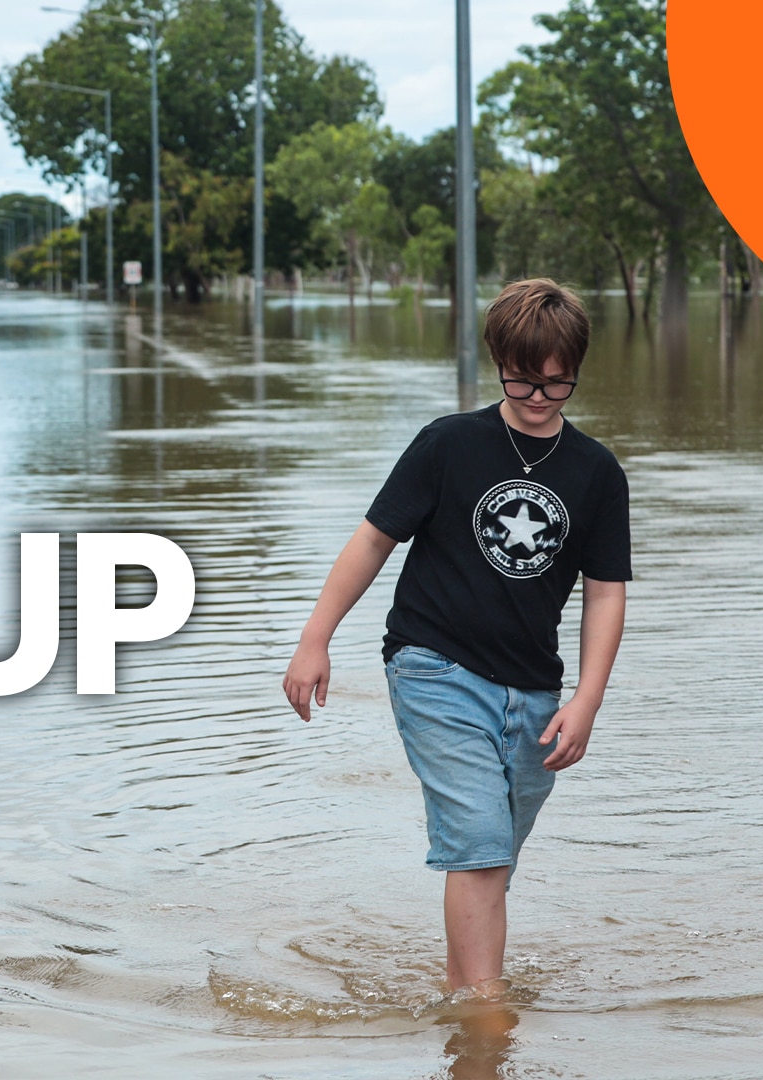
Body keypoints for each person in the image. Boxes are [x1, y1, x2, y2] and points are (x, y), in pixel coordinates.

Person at [281, 278, 631, 998]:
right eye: (522, 380)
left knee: (492, 861)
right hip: (433, 667)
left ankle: (461, 999)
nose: (538, 398)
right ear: (498, 360)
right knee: (477, 850)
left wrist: (588, 701)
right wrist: (315, 638)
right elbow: (373, 542)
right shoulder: (448, 445)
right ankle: (485, 1022)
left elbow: (605, 594)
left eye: (557, 383)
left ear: (576, 370)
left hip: (534, 690)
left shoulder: (596, 473)